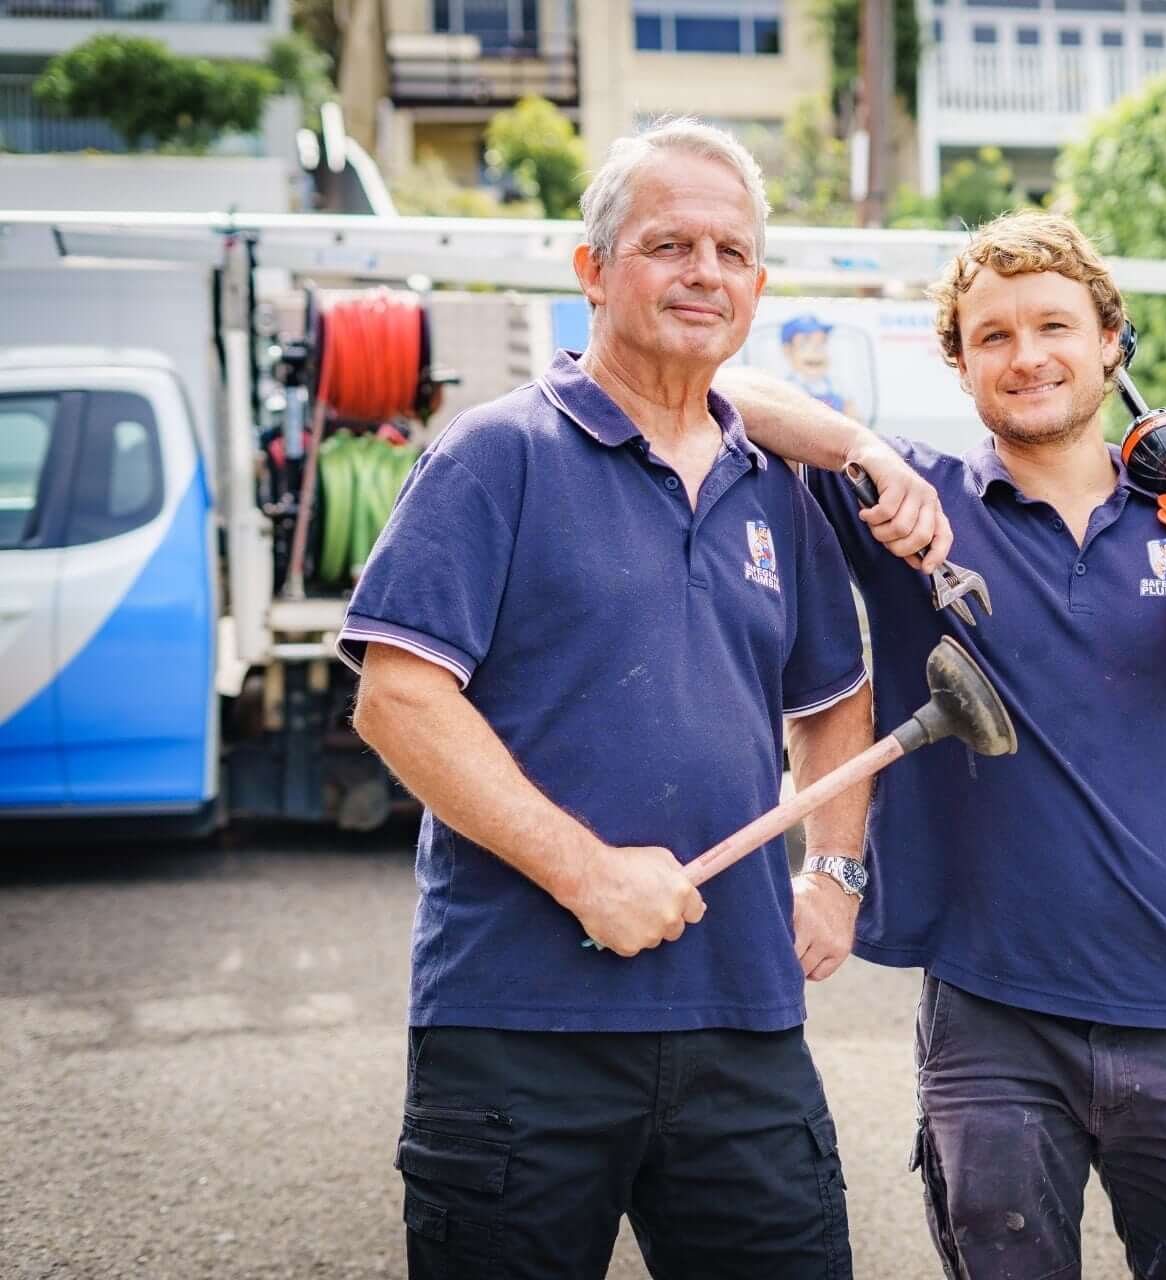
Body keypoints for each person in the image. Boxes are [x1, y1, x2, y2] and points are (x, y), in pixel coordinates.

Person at [717, 209, 1166, 1280]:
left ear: (1111, 343)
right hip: (992, 1023)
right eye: (992, 335)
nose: (1027, 355)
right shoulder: (915, 501)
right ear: (958, 362)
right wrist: (860, 448)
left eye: (1054, 325)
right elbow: (725, 396)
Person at [339, 119, 875, 1280]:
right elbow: (398, 697)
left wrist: (834, 875)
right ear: (591, 269)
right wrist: (588, 872)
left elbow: (836, 699)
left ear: (760, 287)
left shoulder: (774, 485)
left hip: (743, 1020)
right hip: (517, 1029)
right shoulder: (495, 456)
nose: (705, 273)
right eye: (669, 243)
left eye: (733, 252)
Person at [778, 312, 862, 423]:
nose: (815, 351)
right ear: (788, 350)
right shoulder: (787, 387)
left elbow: (854, 416)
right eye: (805, 344)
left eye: (821, 344)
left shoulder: (837, 385)